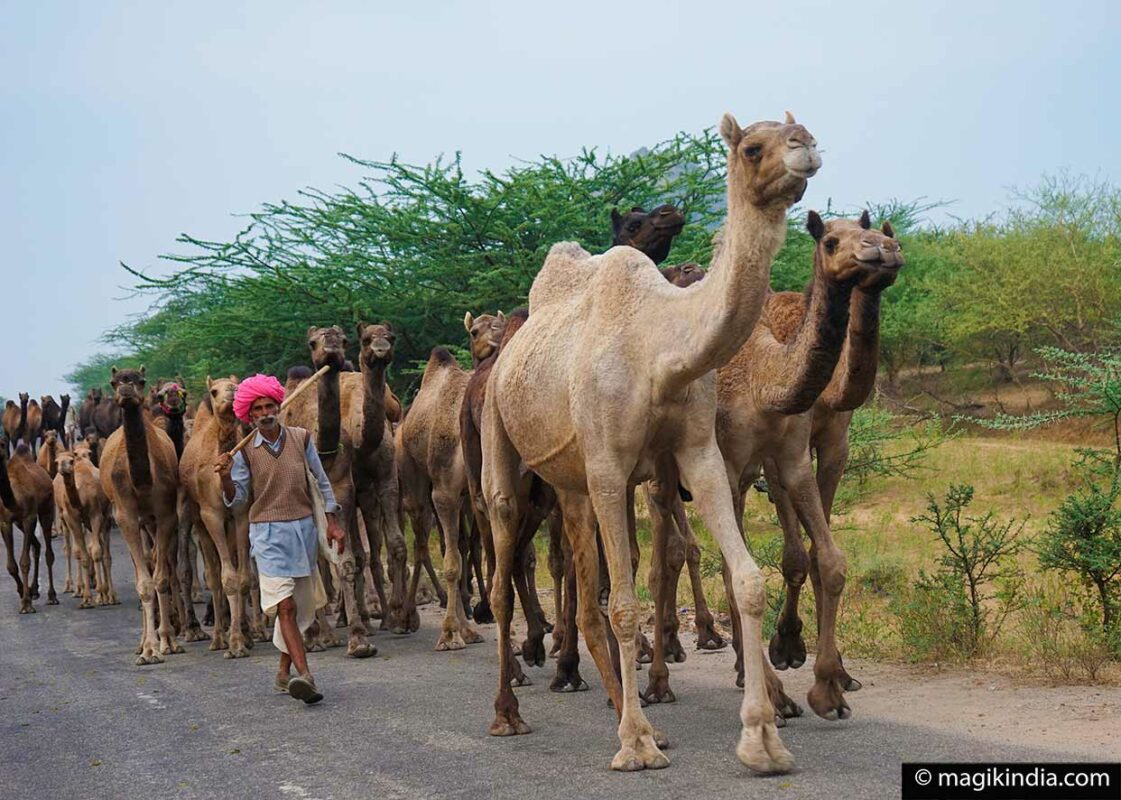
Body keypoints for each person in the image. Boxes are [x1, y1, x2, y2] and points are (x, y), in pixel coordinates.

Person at [214, 373, 345, 705]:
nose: (264, 413)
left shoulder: (301, 438)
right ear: (249, 414)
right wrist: (227, 476)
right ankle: (306, 675)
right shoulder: (242, 454)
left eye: (269, 405)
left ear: (279, 406)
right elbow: (238, 499)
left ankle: (283, 672)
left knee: (300, 609)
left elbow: (321, 479)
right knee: (284, 606)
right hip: (267, 534)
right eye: (256, 409)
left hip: (303, 530)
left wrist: (332, 521)